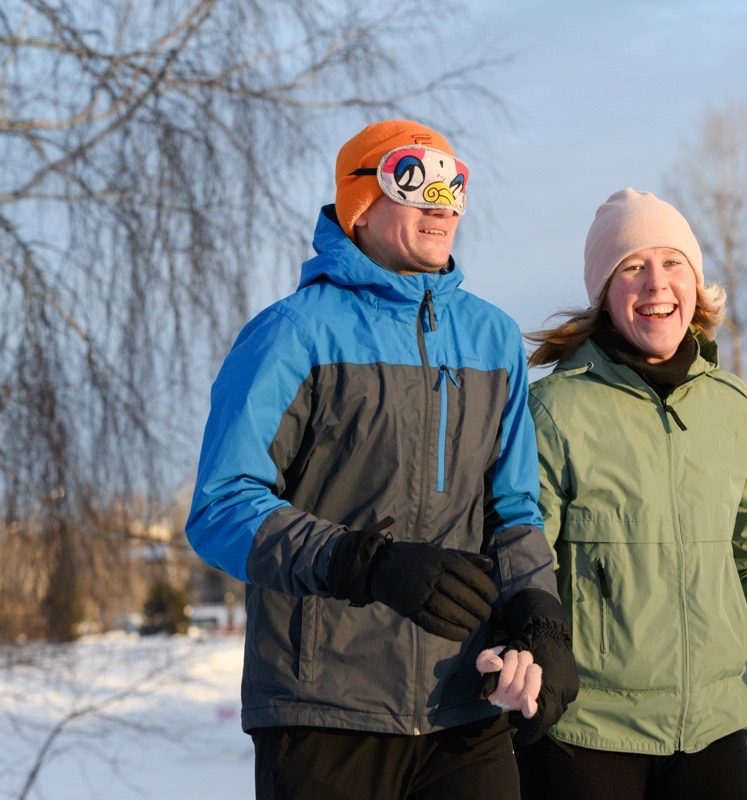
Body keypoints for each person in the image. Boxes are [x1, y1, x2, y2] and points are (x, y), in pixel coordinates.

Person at [185, 119, 578, 800]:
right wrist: (365, 563)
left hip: (464, 703)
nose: (440, 202)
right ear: (358, 202)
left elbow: (512, 509)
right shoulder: (292, 332)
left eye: (453, 183)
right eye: (412, 178)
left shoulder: (492, 337)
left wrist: (540, 621)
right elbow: (222, 506)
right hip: (323, 709)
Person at [515, 188, 747, 800]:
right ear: (604, 294)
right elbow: (528, 562)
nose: (656, 284)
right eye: (632, 267)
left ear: (695, 282)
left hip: (713, 727)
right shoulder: (555, 411)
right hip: (586, 734)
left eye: (673, 263)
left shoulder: (733, 408)